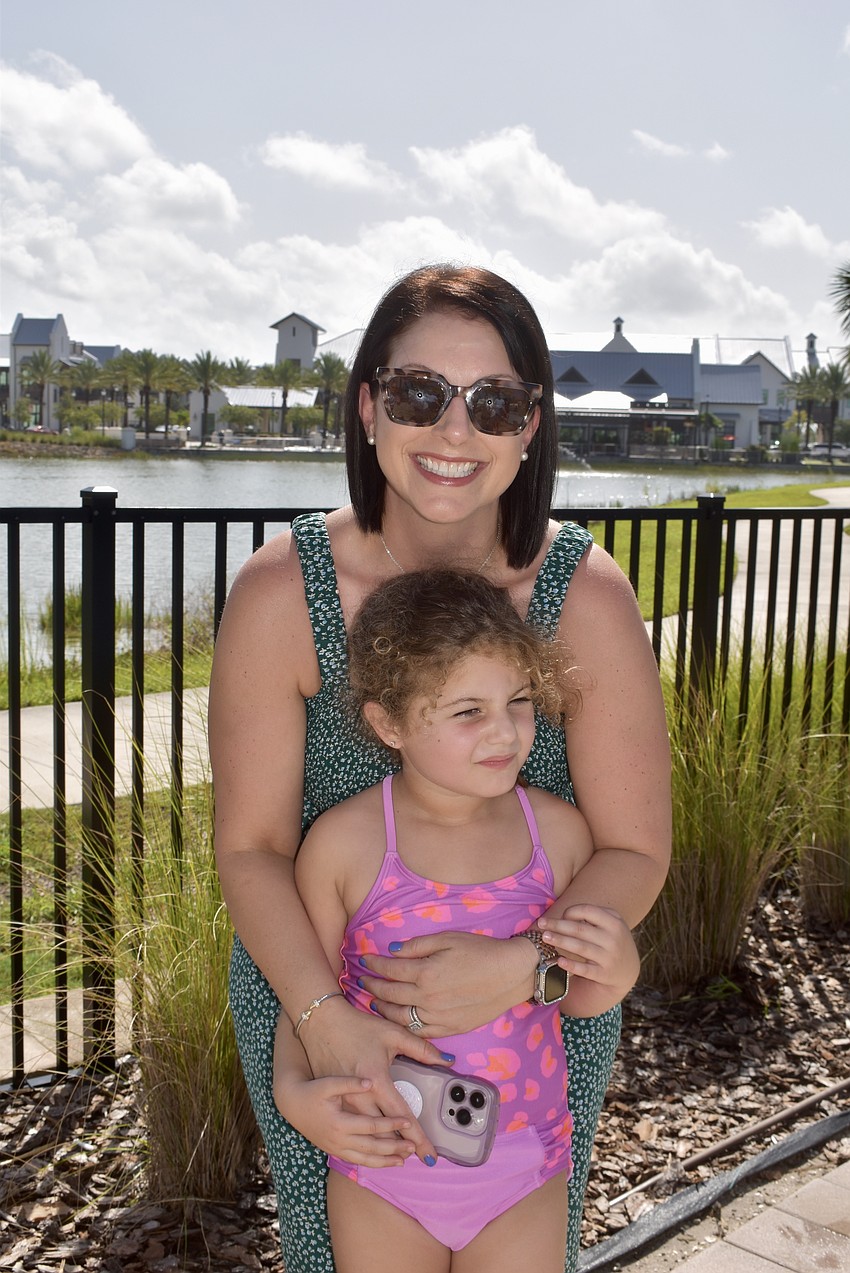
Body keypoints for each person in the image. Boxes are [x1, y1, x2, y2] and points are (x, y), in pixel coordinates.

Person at [208, 263, 671, 1273]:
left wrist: (533, 968)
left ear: (530, 426)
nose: (455, 432)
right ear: (369, 405)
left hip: (536, 1028)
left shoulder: (581, 595)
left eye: (493, 403)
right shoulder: (284, 590)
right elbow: (249, 848)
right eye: (421, 394)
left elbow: (633, 847)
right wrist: (326, 1035)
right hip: (314, 1002)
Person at [273, 569, 641, 1272]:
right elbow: (307, 1005)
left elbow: (574, 991)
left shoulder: (558, 838)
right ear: (389, 723)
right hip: (383, 1170)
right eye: (468, 711)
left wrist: (619, 968)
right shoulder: (345, 846)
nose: (504, 730)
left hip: (524, 1169)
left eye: (520, 700)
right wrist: (297, 1098)